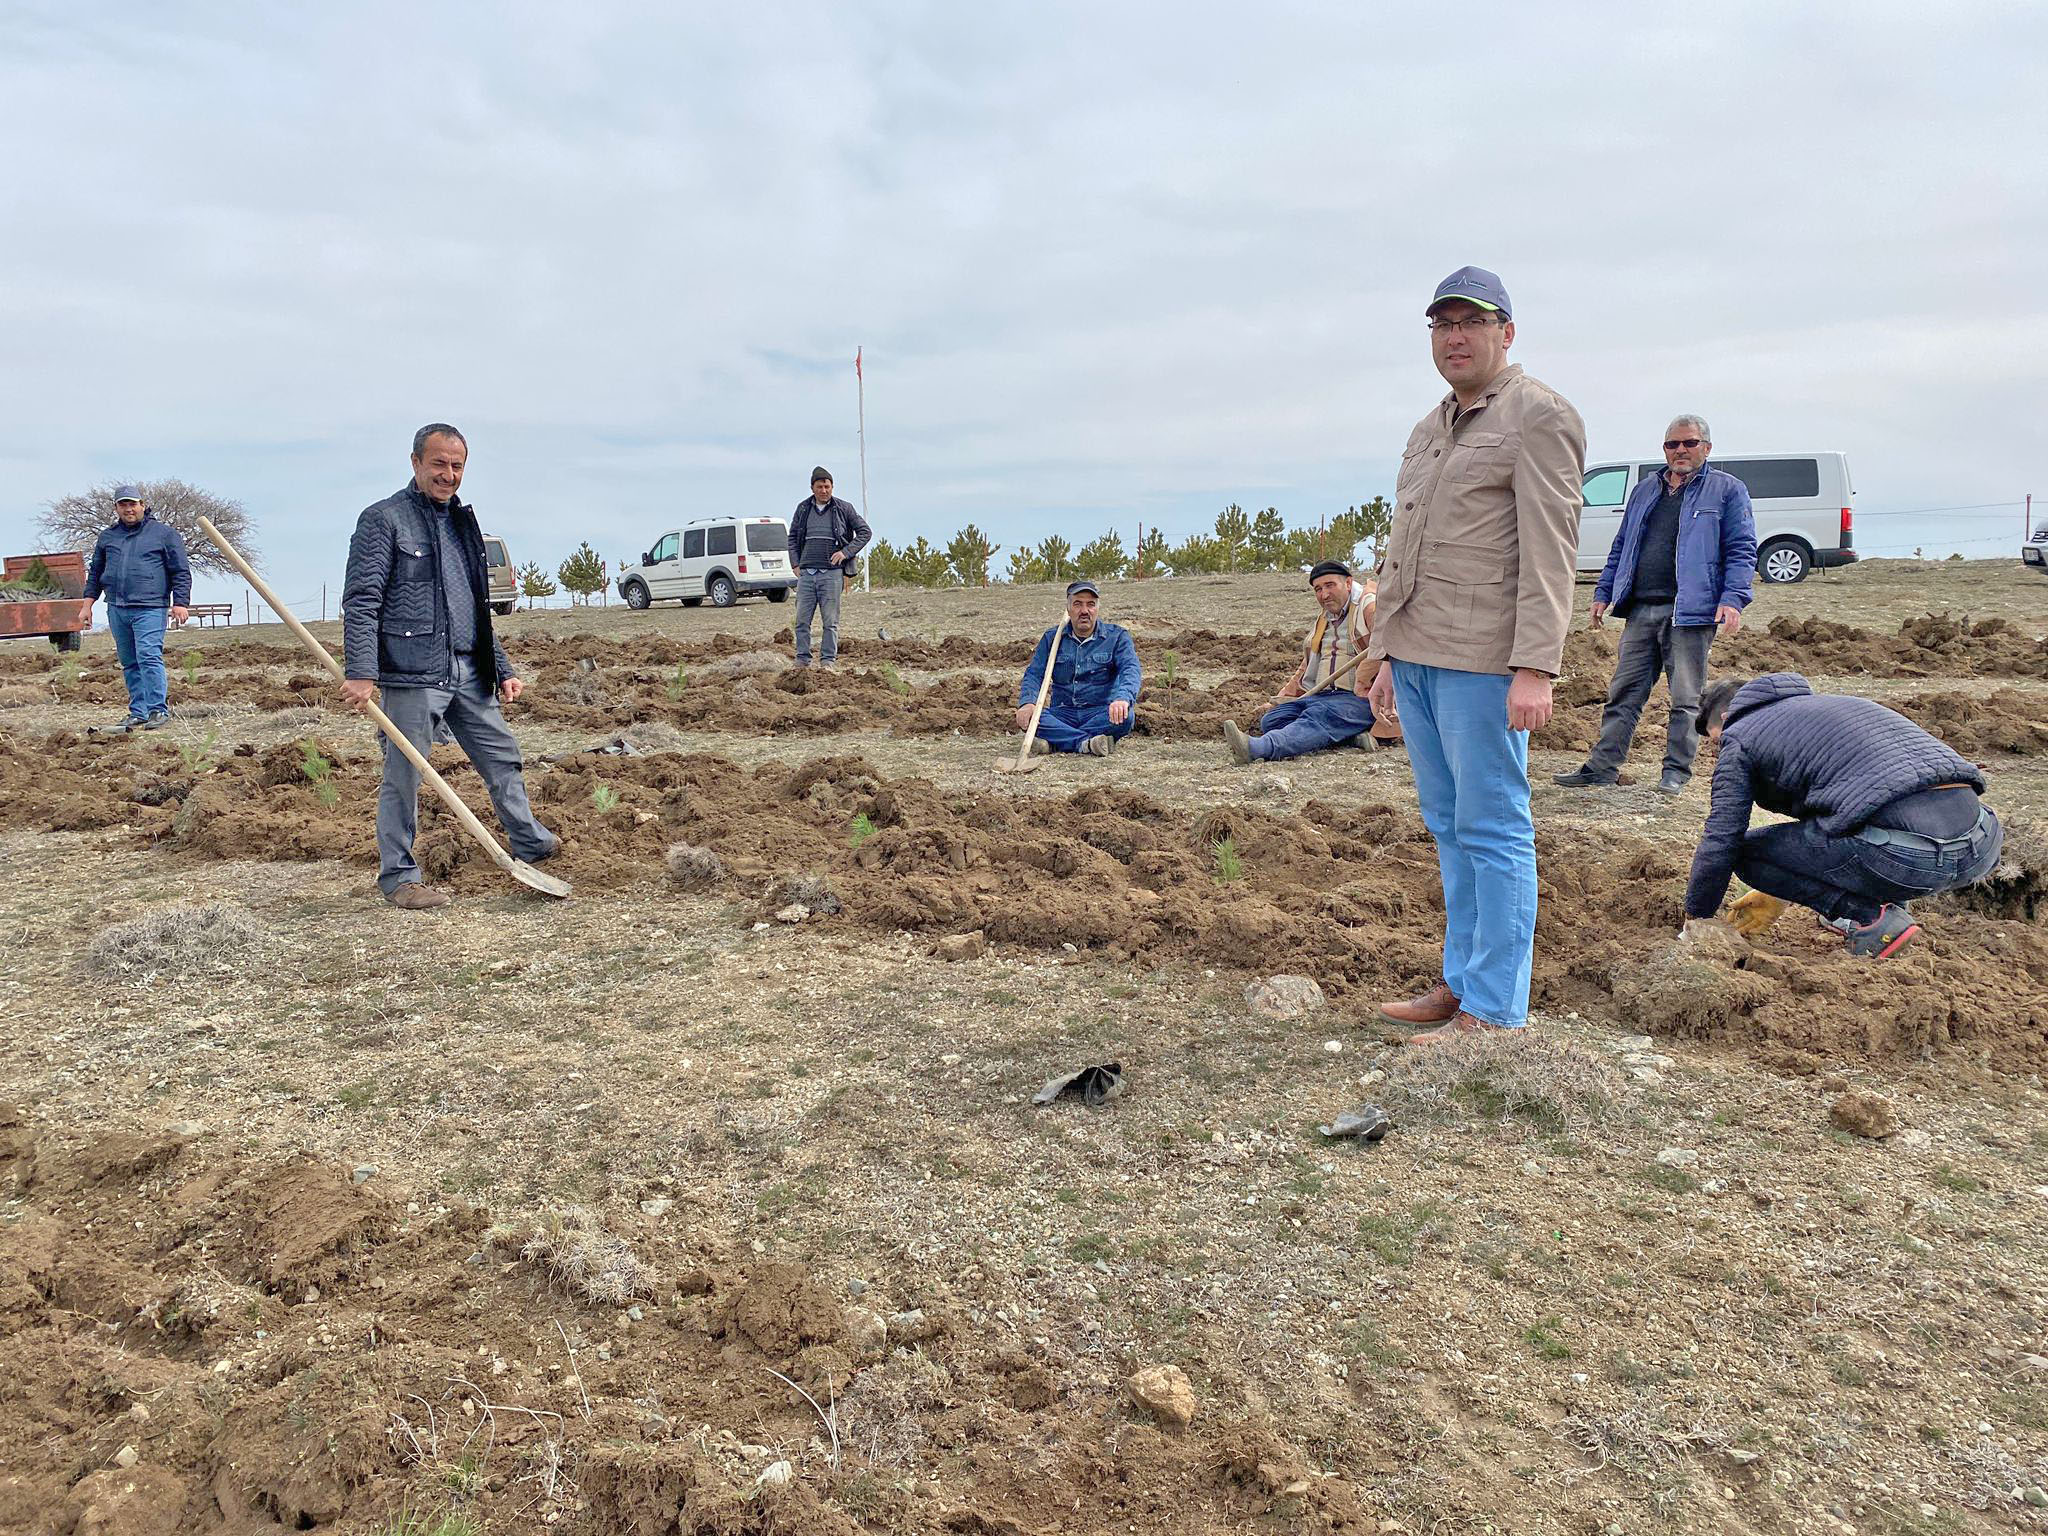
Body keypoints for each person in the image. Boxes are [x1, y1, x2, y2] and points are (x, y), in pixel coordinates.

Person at [1365, 266, 1586, 1044]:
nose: (1454, 336)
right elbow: (1404, 548)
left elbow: (1551, 551)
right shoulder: (1430, 427)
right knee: (1450, 826)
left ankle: (1495, 1008)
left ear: (1507, 333)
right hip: (1419, 656)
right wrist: (1386, 648)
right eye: (1441, 324)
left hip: (1485, 663)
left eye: (1472, 321)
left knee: (1494, 828)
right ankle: (1461, 983)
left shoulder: (1538, 416)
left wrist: (1537, 665)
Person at [341, 424, 558, 910]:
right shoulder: (384, 520)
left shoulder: (463, 524)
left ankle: (528, 842)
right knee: (406, 772)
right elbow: (361, 599)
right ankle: (399, 877)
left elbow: (474, 606)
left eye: (457, 466)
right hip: (414, 671)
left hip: (470, 671)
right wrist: (361, 670)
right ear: (415, 462)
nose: (449, 474)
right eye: (439, 463)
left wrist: (500, 666)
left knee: (502, 756)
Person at [1683, 673, 2002, 959]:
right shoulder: (1836, 706)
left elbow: (1722, 838)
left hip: (1908, 858)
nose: (1719, 750)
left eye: (1716, 741)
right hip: (1981, 843)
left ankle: (1870, 917)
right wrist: (1778, 888)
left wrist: (1697, 919)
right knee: (1872, 821)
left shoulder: (1740, 734)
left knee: (1744, 853)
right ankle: (1887, 913)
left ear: (1726, 718)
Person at [1556, 415, 1755, 794]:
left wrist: (1733, 598)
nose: (1680, 450)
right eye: (1672, 444)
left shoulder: (1727, 491)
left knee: (1685, 699)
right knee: (1623, 693)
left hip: (1690, 613)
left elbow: (1742, 549)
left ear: (1706, 448)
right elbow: (1622, 545)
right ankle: (1602, 767)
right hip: (1641, 609)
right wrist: (1604, 591)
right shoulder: (1646, 491)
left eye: (1689, 443)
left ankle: (1676, 774)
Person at [1222, 560, 1399, 763]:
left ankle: (1258, 748)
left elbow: (1388, 641)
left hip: (1361, 699)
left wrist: (1363, 680)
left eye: (1330, 585)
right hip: (1323, 697)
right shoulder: (1324, 620)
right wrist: (1281, 698)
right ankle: (1350, 735)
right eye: (1318, 589)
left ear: (1348, 583)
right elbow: (1306, 668)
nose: (1324, 595)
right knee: (1273, 719)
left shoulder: (1369, 606)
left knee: (1320, 715)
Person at [82, 484, 192, 730]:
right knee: (129, 660)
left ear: (143, 505)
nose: (129, 509)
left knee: (148, 655)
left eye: (133, 504)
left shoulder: (164, 534)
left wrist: (181, 603)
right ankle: (138, 712)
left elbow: (180, 571)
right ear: (116, 508)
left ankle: (158, 710)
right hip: (117, 607)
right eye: (123, 505)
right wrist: (87, 605)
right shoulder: (107, 537)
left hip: (150, 607)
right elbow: (95, 573)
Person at [1015, 580, 1141, 757]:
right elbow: (1035, 673)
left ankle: (1057, 742)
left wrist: (1122, 699)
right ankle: (1086, 743)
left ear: (1097, 608)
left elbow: (1130, 669)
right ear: (1068, 609)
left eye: (1090, 604)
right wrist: (1028, 703)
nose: (1084, 611)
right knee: (1032, 718)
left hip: (1099, 712)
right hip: (1062, 712)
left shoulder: (1117, 637)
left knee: (1125, 717)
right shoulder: (1052, 638)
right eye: (1077, 604)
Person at [788, 468, 871, 668]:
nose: (824, 490)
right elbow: (792, 538)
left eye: (827, 486)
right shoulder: (802, 509)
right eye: (820, 487)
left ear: (832, 487)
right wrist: (796, 564)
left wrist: (845, 552)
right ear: (812, 488)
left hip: (832, 575)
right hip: (807, 574)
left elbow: (865, 532)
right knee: (801, 621)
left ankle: (827, 662)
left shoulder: (844, 508)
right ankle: (802, 660)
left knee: (830, 622)